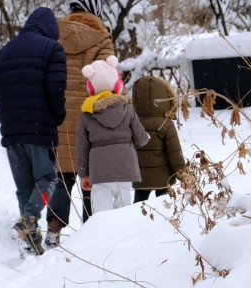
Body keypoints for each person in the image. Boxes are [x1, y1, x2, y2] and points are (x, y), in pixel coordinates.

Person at [0, 7, 68, 254]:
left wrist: (6, 114)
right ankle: (28, 218)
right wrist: (57, 116)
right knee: (48, 179)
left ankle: (31, 243)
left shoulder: (5, 51)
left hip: (12, 130)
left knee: (24, 186)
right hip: (39, 128)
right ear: (51, 30)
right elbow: (55, 87)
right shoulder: (52, 49)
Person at [50, 0, 115, 231]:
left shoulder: (53, 34)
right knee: (92, 177)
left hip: (59, 115)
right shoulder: (101, 37)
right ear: (95, 8)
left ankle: (53, 231)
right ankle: (91, 236)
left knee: (63, 176)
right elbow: (108, 80)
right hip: (91, 118)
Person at [76, 56, 150, 213]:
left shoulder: (87, 114)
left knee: (101, 215)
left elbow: (82, 147)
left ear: (90, 87)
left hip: (100, 171)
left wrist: (84, 174)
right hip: (125, 169)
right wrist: (146, 137)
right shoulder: (127, 109)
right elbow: (140, 138)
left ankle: (103, 238)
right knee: (122, 215)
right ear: (117, 85)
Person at [131, 74, 187, 203]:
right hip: (163, 179)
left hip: (140, 177)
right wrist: (183, 176)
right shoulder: (165, 124)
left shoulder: (132, 122)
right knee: (164, 208)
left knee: (137, 209)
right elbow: (175, 154)